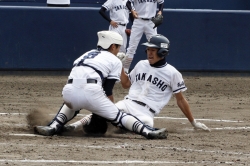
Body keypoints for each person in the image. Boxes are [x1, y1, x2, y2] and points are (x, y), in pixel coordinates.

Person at [34, 30, 167, 139]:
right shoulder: (115, 60)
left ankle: (53, 126)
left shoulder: (86, 54)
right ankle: (148, 131)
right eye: (118, 47)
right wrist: (109, 112)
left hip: (68, 91)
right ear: (113, 46)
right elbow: (107, 89)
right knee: (119, 117)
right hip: (91, 91)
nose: (118, 50)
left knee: (73, 101)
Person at [65, 34, 211, 133]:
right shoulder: (141, 64)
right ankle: (74, 126)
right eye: (148, 50)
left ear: (162, 52)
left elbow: (181, 100)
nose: (149, 53)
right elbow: (126, 84)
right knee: (104, 110)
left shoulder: (172, 73)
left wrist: (193, 122)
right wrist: (120, 67)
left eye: (153, 50)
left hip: (146, 112)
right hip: (128, 103)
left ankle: (118, 127)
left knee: (147, 125)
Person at [123, 0, 165, 72]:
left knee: (155, 46)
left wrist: (160, 11)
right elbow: (127, 2)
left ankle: (156, 68)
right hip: (138, 21)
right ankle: (124, 70)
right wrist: (132, 10)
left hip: (151, 21)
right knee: (132, 48)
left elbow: (161, 2)